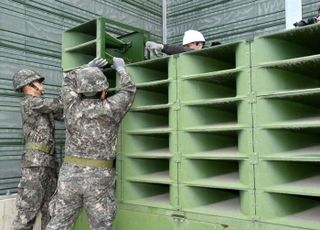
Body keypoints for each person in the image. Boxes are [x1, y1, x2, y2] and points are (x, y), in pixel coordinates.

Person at [46, 57, 136, 230]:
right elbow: (129, 90)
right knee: (100, 225)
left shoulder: (71, 107)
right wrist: (121, 69)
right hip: (99, 178)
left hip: (69, 177)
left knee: (58, 223)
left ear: (79, 91)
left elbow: (67, 82)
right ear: (104, 92)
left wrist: (85, 69)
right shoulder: (110, 108)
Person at [12, 69, 63, 230]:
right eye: (39, 82)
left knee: (51, 210)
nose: (42, 85)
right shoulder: (30, 103)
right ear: (29, 85)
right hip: (35, 165)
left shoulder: (41, 106)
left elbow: (63, 112)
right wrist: (73, 79)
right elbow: (58, 103)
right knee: (27, 213)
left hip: (48, 164)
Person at [145, 29, 220, 57]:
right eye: (185, 46)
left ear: (199, 44)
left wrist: (162, 47)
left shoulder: (211, 53)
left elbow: (184, 50)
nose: (186, 48)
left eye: (188, 45)